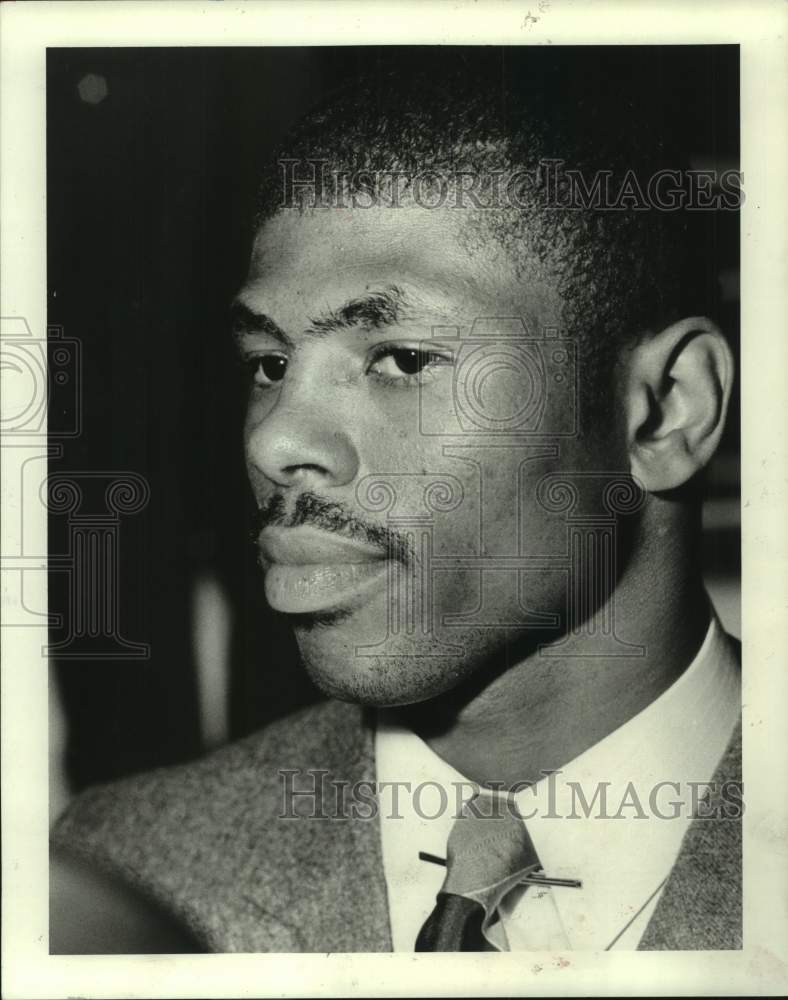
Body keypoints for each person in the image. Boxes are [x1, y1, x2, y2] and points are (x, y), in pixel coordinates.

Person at [50, 48, 742, 953]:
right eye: (268, 365)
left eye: (403, 361)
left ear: (663, 413)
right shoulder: (116, 884)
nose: (273, 441)